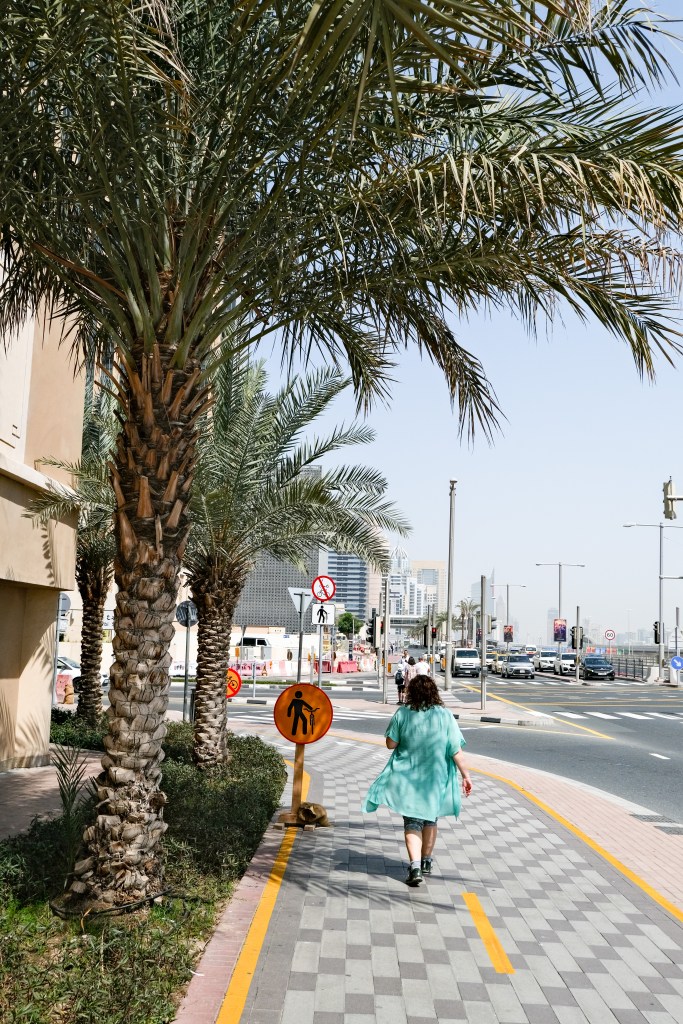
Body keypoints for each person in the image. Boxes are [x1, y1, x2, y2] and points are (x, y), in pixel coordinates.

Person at [362, 674, 472, 887]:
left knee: (412, 822)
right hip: (435, 777)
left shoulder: (403, 713)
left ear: (411, 692)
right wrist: (466, 776)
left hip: (408, 777)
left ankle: (415, 867)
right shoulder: (445, 715)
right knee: (430, 819)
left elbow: (391, 744)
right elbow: (455, 750)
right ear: (434, 693)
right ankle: (426, 861)